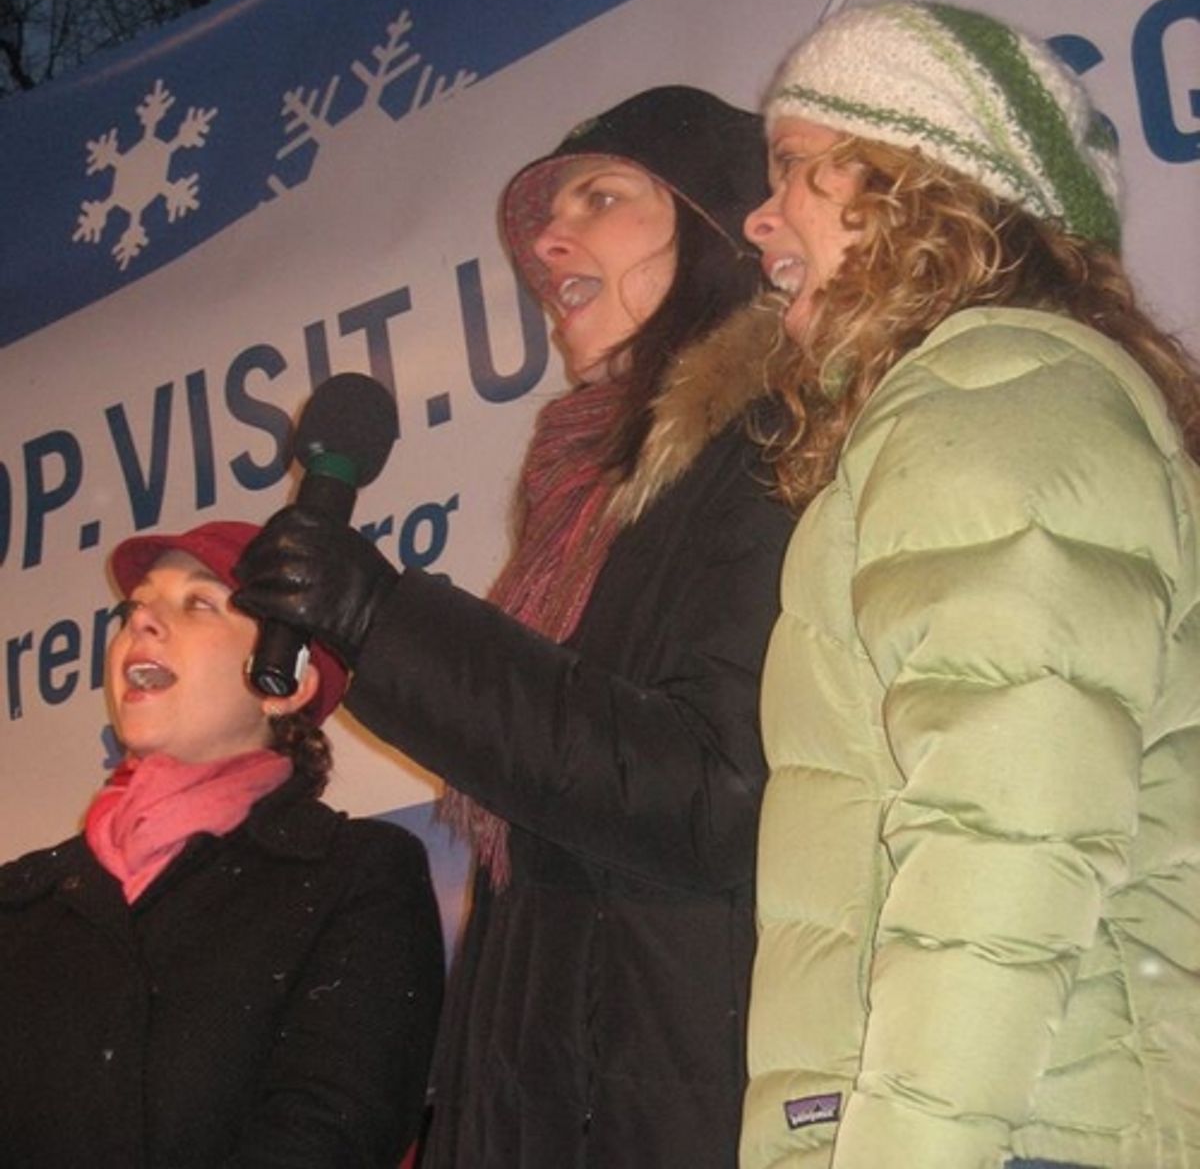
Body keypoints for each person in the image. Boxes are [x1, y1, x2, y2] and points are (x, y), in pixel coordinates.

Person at [232, 86, 795, 1167]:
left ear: (720, 219)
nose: (546, 238)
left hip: (677, 1100)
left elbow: (714, 790)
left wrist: (384, 623)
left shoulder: (771, 445)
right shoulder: (586, 500)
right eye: (546, 213)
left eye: (602, 195)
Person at [738, 0, 1200, 1169]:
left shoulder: (1000, 395)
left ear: (914, 183)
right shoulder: (984, 404)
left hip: (1031, 1132)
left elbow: (1007, 834)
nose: (758, 216)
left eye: (794, 168)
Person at [0, 520, 444, 1169]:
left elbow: (330, 1133)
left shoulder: (356, 876)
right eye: (135, 609)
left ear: (283, 684)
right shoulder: (22, 900)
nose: (142, 623)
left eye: (198, 603)